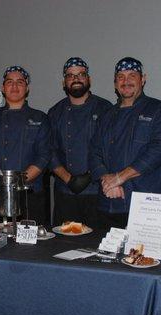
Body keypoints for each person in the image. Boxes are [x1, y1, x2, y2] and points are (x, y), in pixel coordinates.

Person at [89, 57, 161, 230]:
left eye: (132, 75)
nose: (126, 81)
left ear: (143, 79)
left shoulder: (159, 110)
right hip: (108, 201)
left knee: (140, 257)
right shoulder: (106, 115)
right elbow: (94, 151)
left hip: (144, 204)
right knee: (105, 255)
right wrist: (107, 180)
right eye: (120, 77)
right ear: (115, 83)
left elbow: (158, 150)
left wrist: (119, 178)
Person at [0, 66, 51, 224]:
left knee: (32, 246)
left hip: (30, 193)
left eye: (20, 82)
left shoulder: (40, 118)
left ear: (27, 88)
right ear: (3, 88)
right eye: (9, 82)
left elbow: (43, 156)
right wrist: (4, 185)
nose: (15, 86)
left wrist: (15, 184)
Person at [48, 57, 112, 227]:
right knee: (64, 245)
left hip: (99, 190)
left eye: (81, 74)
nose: (76, 79)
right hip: (65, 193)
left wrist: (91, 175)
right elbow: (49, 150)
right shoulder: (55, 112)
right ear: (64, 82)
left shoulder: (106, 109)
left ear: (88, 79)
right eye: (70, 75)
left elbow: (111, 148)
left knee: (96, 244)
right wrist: (68, 179)